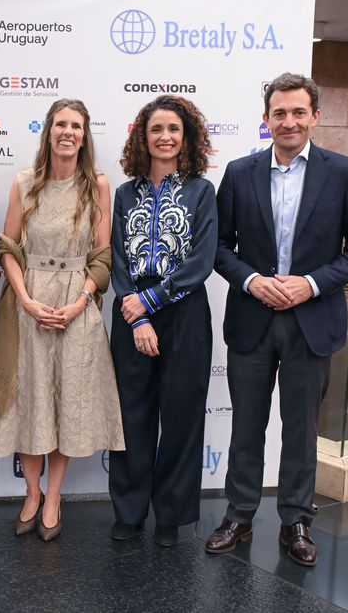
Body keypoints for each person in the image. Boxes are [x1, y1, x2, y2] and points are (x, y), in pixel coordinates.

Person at [206, 73, 348, 567]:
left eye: (298, 112)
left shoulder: (343, 172)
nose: (289, 121)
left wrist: (312, 283)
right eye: (279, 113)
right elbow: (218, 246)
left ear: (315, 118)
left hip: (312, 320)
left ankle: (296, 520)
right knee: (247, 426)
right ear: (266, 119)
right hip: (252, 318)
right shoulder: (239, 172)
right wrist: (253, 280)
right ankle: (238, 515)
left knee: (301, 430)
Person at [0, 98, 125, 542]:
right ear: (48, 131)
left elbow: (102, 257)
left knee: (66, 405)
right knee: (31, 403)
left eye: (77, 126)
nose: (68, 132)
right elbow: (7, 247)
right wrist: (26, 300)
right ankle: (31, 491)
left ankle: (54, 497)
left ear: (85, 135)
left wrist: (80, 301)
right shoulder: (24, 183)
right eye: (61, 124)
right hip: (29, 306)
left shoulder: (98, 186)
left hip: (76, 308)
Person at [107, 95, 217, 547]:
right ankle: (129, 511)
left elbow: (201, 260)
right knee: (131, 415)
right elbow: (114, 257)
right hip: (132, 313)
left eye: (174, 129)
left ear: (186, 136)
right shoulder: (123, 193)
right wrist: (136, 315)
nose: (165, 137)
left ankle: (169, 515)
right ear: (143, 137)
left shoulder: (201, 191)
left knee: (181, 416)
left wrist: (152, 300)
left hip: (184, 312)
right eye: (156, 130)